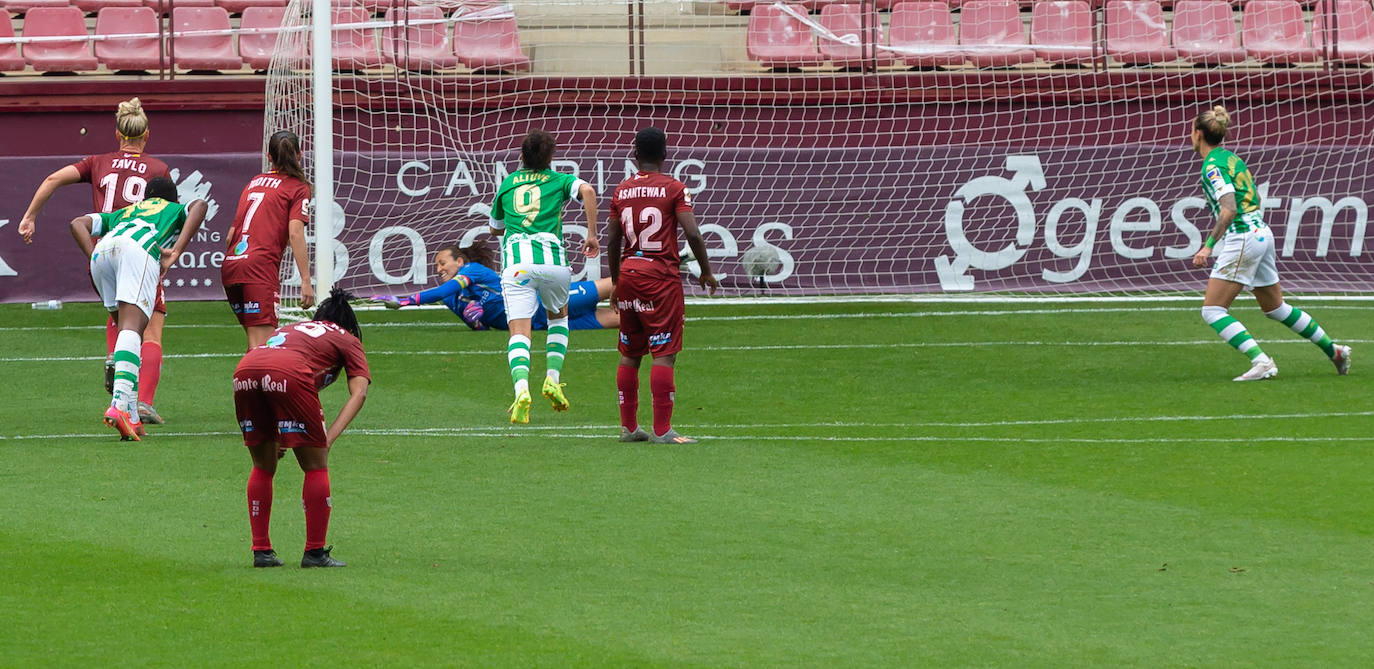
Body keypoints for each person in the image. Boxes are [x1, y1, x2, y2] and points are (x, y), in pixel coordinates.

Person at [17, 97, 175, 425]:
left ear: (118, 135)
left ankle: (112, 357)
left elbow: (51, 180)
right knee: (151, 327)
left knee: (119, 314)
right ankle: (142, 402)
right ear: (146, 135)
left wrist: (30, 217)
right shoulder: (158, 170)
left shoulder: (98, 162)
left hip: (102, 253)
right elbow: (167, 216)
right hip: (140, 250)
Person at [1189, 106, 1351, 381]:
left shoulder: (1213, 167)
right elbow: (1254, 198)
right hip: (1261, 232)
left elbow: (1228, 209)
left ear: (1198, 134)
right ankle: (1334, 350)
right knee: (1276, 308)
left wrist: (1208, 246)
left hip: (1243, 236)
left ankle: (1261, 361)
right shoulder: (1231, 158)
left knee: (1213, 310)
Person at [233, 287, 369, 569]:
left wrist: (281, 435)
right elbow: (359, 393)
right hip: (288, 372)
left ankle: (262, 550)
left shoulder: (293, 328)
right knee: (316, 466)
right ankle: (315, 552)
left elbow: (272, 375)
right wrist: (326, 440)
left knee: (263, 465)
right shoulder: (348, 339)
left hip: (246, 368)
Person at [69, 177, 207, 440]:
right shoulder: (173, 209)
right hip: (139, 249)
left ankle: (131, 414)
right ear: (173, 198)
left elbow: (77, 223)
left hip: (103, 251)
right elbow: (200, 205)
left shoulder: (124, 211)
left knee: (124, 329)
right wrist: (177, 250)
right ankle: (119, 405)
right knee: (135, 328)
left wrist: (95, 256)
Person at [608, 127, 719, 444]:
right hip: (659, 278)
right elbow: (693, 233)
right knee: (664, 353)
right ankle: (662, 430)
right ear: (665, 154)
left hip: (629, 273)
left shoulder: (621, 190)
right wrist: (706, 271)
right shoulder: (674, 188)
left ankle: (629, 428)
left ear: (635, 154)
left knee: (630, 352)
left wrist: (617, 281)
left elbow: (613, 239)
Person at [488, 129, 599, 423]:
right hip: (554, 263)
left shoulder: (509, 183)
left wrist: (512, 226)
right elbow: (588, 191)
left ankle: (521, 390)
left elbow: (494, 228)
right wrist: (591, 234)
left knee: (519, 333)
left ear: (521, 157)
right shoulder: (560, 180)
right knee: (559, 317)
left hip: (518, 264)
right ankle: (552, 378)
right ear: (551, 158)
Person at [371, 241, 618, 331]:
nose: (439, 269)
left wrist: (404, 301)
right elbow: (482, 328)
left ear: (459, 261)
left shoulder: (472, 271)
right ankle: (654, 317)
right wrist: (473, 320)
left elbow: (443, 291)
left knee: (610, 286)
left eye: (442, 263)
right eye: (436, 266)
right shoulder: (452, 302)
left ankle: (649, 282)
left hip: (542, 302)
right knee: (614, 321)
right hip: (536, 324)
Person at [221, 130, 314, 350]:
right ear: (300, 155)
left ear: (268, 156)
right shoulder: (298, 187)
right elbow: (295, 232)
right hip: (258, 269)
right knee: (262, 348)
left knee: (256, 345)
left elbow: (229, 236)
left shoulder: (255, 182)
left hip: (232, 266)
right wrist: (306, 281)